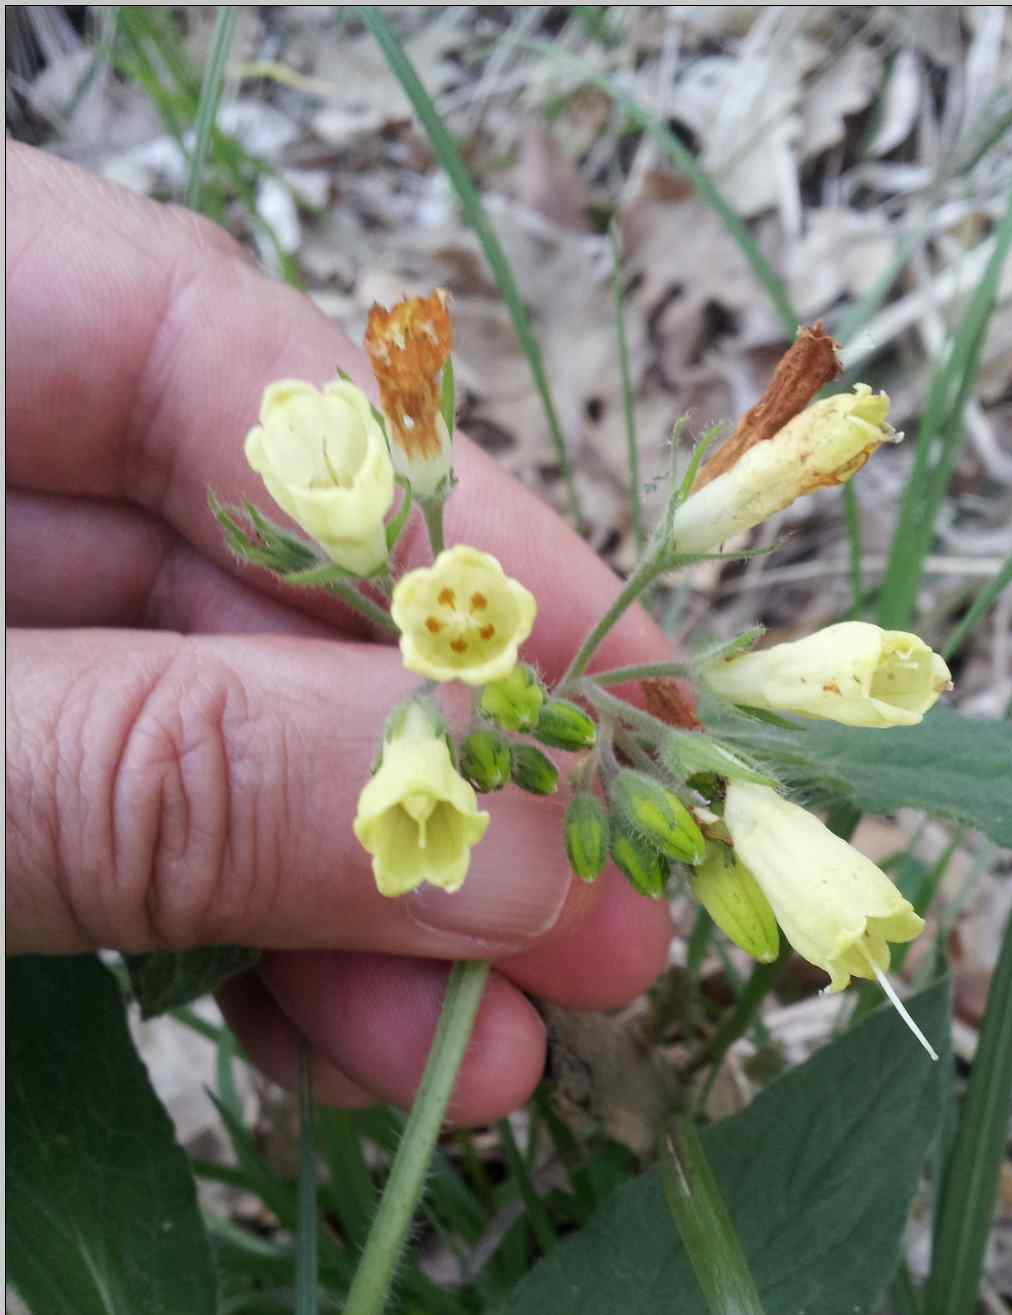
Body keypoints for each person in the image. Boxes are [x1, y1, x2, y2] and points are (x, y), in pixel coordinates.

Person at [5, 140, 673, 1122]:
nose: (456, 614)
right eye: (448, 614)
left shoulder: (451, 588)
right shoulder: (423, 598)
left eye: (467, 616)